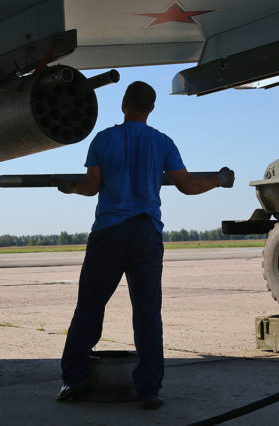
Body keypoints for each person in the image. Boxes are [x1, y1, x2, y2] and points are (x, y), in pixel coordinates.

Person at [55, 81, 234, 409]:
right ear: (150, 109)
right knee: (148, 314)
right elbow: (189, 186)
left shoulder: (103, 140)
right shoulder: (162, 143)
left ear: (124, 104)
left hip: (109, 233)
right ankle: (149, 390)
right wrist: (220, 180)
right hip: (146, 235)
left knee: (90, 308)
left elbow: (92, 186)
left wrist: (70, 188)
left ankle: (74, 382)